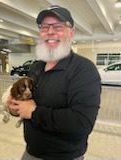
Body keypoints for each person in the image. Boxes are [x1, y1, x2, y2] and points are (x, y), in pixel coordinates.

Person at [8, 5, 101, 160]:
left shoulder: (84, 70)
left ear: (71, 32)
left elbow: (82, 122)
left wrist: (34, 112)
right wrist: (15, 107)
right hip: (31, 152)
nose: (50, 32)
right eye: (45, 27)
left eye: (58, 27)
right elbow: (27, 103)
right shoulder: (37, 67)